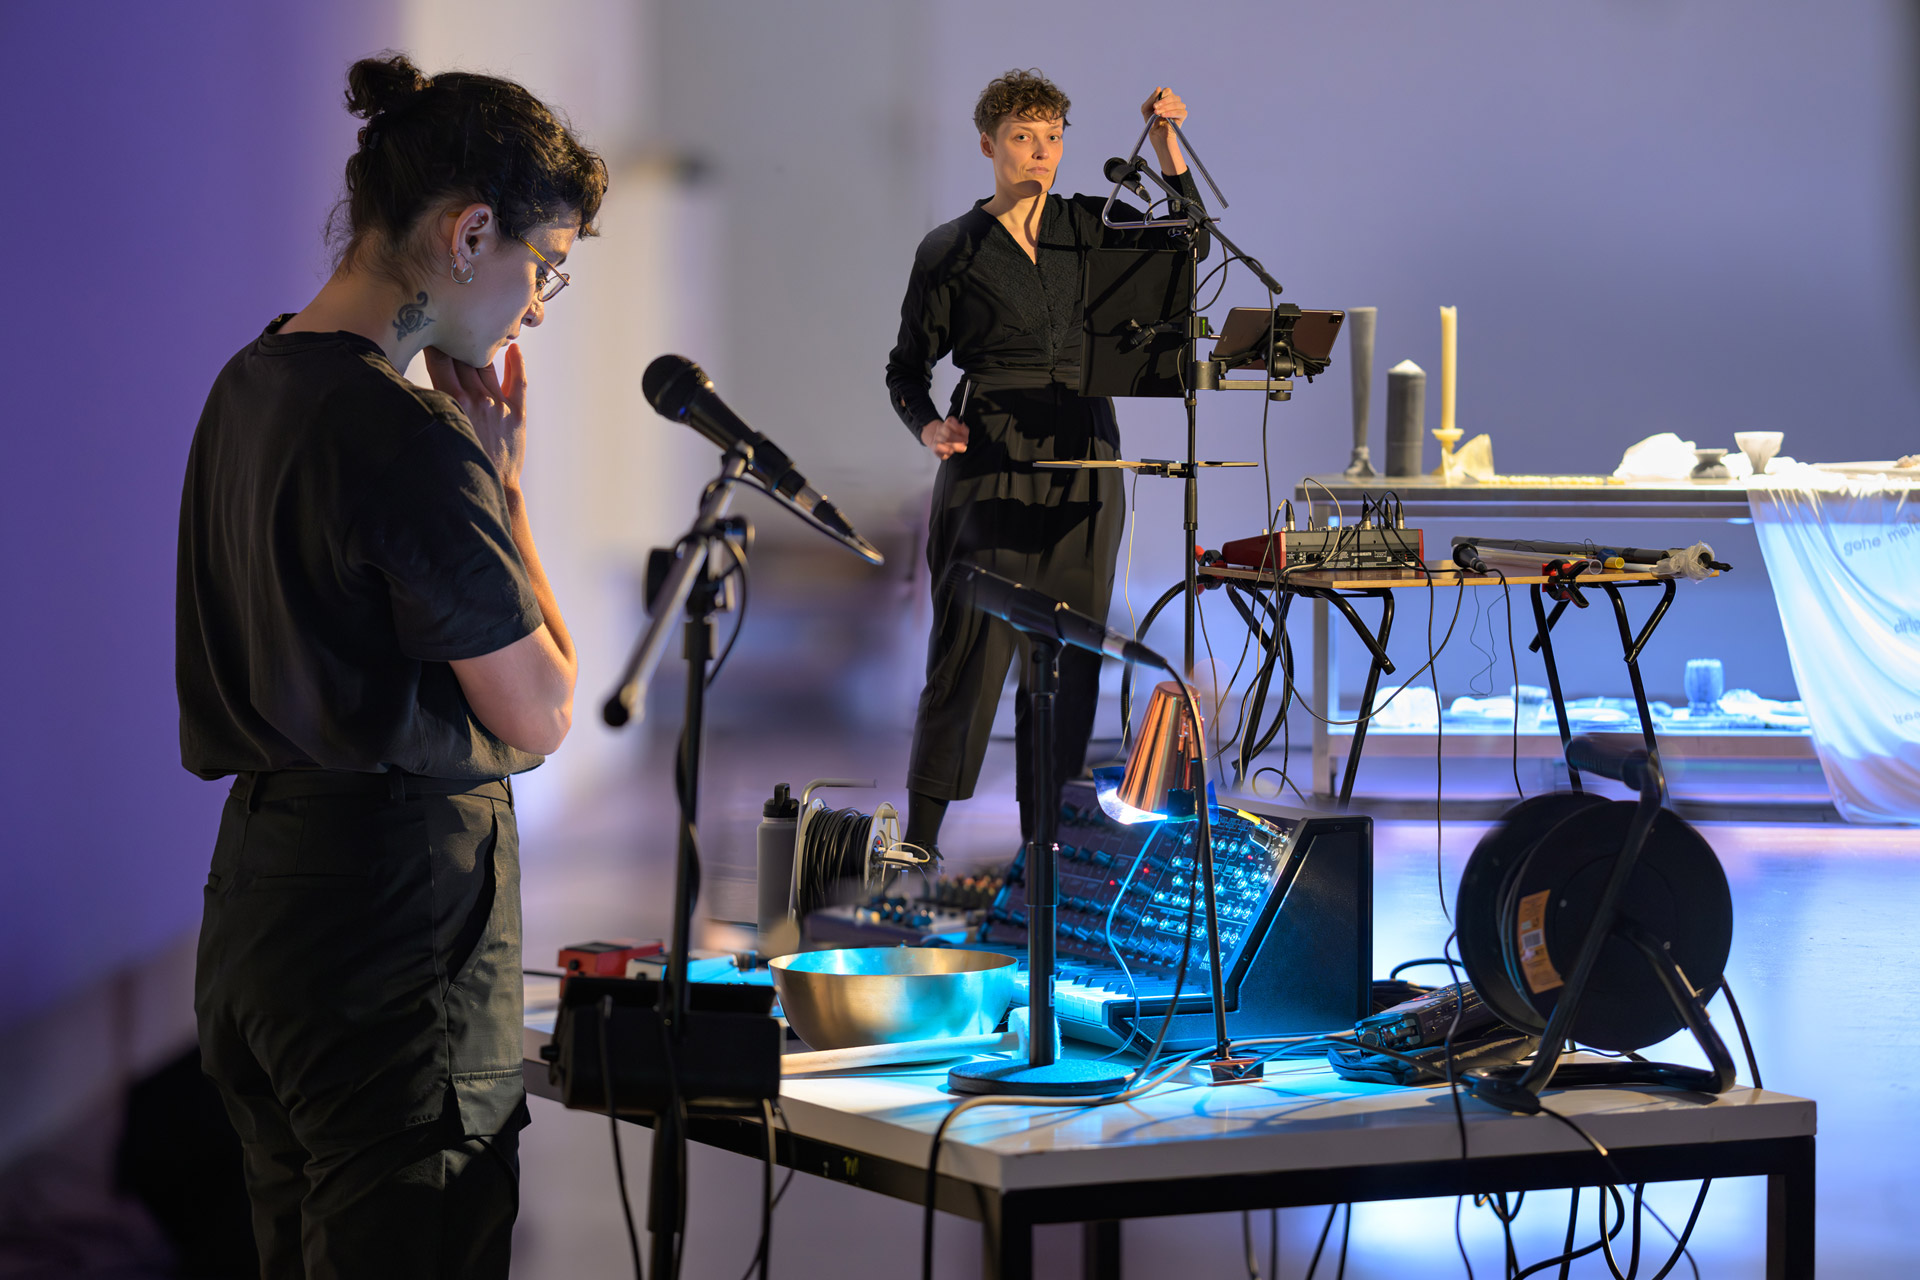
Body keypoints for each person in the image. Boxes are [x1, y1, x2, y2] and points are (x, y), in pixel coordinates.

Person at [176, 52, 606, 1277]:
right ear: (470, 234)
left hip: (257, 913)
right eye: (545, 268)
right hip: (388, 938)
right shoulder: (407, 437)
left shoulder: (248, 382)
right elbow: (543, 706)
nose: (535, 309)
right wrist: (505, 486)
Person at [886, 69, 1208, 854]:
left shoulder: (1088, 224)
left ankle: (1046, 856)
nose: (1040, 152)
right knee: (967, 653)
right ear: (988, 145)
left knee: (1069, 662)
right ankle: (917, 847)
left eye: (1053, 138)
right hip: (991, 454)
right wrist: (927, 426)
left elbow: (1187, 242)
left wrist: (1169, 145)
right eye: (1023, 137)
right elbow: (905, 368)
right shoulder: (950, 249)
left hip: (1087, 456)